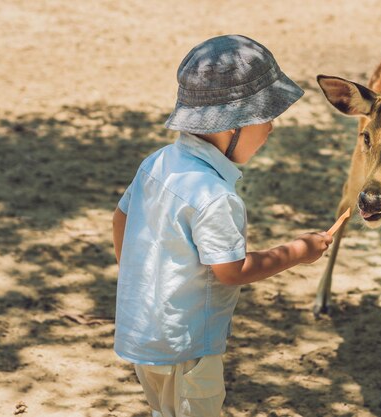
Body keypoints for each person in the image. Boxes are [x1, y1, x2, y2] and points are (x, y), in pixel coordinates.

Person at [111, 35, 333, 417]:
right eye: (267, 119)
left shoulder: (158, 162)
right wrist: (298, 252)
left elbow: (122, 217)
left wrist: (141, 280)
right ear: (232, 125)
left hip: (143, 333)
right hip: (188, 346)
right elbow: (231, 271)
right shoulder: (215, 195)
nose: (271, 131)